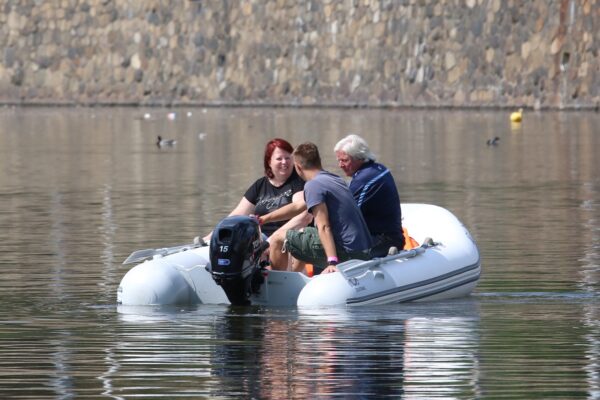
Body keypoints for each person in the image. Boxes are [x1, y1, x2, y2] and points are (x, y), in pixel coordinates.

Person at [261, 142, 373, 274]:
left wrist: (332, 262)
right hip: (363, 251)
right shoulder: (333, 179)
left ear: (298, 167)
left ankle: (278, 284)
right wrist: (263, 219)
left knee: (277, 238)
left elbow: (324, 226)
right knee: (305, 232)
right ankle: (295, 277)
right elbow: (298, 206)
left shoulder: (313, 185)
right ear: (318, 161)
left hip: (347, 253)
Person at [203, 138, 311, 245]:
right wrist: (209, 238)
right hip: (259, 241)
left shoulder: (299, 182)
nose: (284, 162)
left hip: (285, 241)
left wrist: (271, 241)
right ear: (269, 162)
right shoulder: (259, 185)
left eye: (288, 158)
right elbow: (236, 216)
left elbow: (303, 216)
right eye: (279, 159)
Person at [334, 134, 405, 256]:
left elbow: (345, 217)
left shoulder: (363, 179)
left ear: (359, 158)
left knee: (319, 242)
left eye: (345, 160)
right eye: (339, 160)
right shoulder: (379, 168)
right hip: (392, 236)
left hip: (383, 241)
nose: (340, 165)